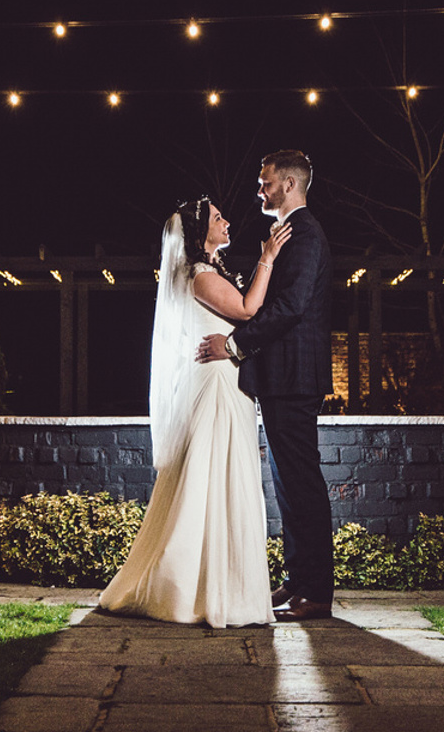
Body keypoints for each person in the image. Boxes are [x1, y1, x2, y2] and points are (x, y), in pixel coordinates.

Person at [98, 197, 291, 628]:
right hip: (217, 387)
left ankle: (219, 586)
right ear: (201, 231)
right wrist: (268, 259)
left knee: (223, 479)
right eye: (218, 218)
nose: (227, 222)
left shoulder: (208, 271)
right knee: (214, 480)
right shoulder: (200, 275)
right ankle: (189, 588)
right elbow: (246, 310)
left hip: (226, 380)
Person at [197, 150, 334, 621]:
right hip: (282, 379)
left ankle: (316, 592)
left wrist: (234, 345)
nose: (259, 190)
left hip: (294, 378)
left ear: (290, 185)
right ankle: (298, 582)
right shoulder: (288, 235)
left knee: (301, 484)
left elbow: (292, 307)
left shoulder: (307, 234)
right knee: (289, 485)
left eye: (266, 182)